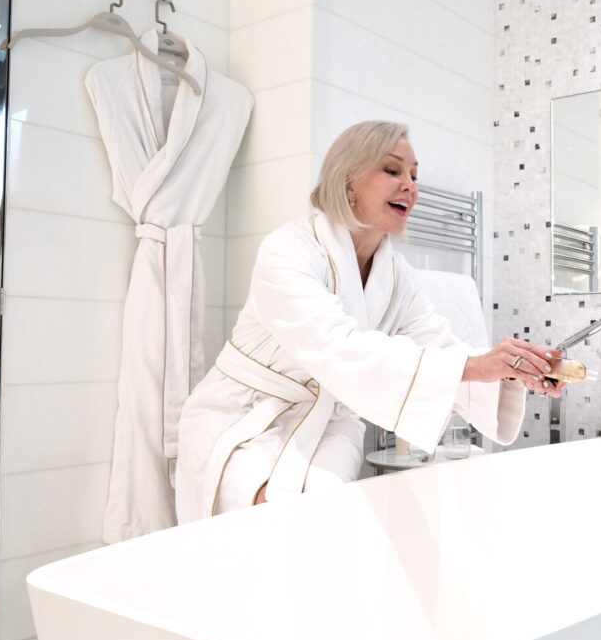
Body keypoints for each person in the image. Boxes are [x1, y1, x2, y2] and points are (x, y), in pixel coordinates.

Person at [175, 121, 564, 523]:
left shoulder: (397, 277)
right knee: (270, 527)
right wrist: (477, 366)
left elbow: (441, 348)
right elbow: (335, 344)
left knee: (327, 530)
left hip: (329, 423)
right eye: (392, 170)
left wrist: (511, 369)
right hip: (244, 419)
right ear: (349, 184)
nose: (410, 185)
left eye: (414, 175)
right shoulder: (288, 249)